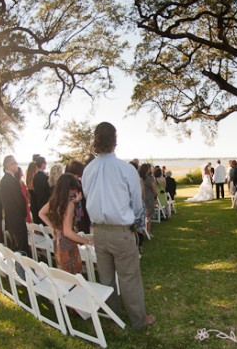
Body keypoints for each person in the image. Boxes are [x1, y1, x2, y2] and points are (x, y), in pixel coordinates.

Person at [82, 122, 155, 330]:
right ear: (115, 141)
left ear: (96, 141)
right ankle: (138, 321)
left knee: (106, 278)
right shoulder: (125, 169)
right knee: (129, 277)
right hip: (121, 232)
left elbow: (88, 197)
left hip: (99, 231)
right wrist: (137, 224)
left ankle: (114, 317)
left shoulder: (89, 170)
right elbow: (137, 202)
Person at [39, 173, 93, 274]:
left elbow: (41, 213)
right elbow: (68, 232)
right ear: (70, 189)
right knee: (73, 274)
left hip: (58, 242)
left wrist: (52, 227)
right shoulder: (69, 206)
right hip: (68, 244)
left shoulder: (53, 201)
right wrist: (86, 241)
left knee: (64, 274)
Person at [0, 155, 30, 255]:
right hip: (17, 219)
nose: (17, 165)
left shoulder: (2, 181)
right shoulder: (12, 181)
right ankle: (23, 270)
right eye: (15, 163)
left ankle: (17, 268)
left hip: (9, 218)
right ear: (8, 166)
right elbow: (20, 200)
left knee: (15, 246)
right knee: (22, 247)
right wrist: (24, 214)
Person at [33, 156, 50, 225]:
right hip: (45, 201)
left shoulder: (35, 177)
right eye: (45, 163)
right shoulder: (44, 177)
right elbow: (47, 190)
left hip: (38, 202)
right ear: (42, 164)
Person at [139, 163, 156, 236]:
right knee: (148, 215)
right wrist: (155, 196)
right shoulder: (149, 178)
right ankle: (148, 231)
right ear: (148, 169)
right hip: (149, 197)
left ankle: (142, 230)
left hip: (140, 198)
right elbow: (154, 189)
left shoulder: (138, 177)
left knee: (143, 214)